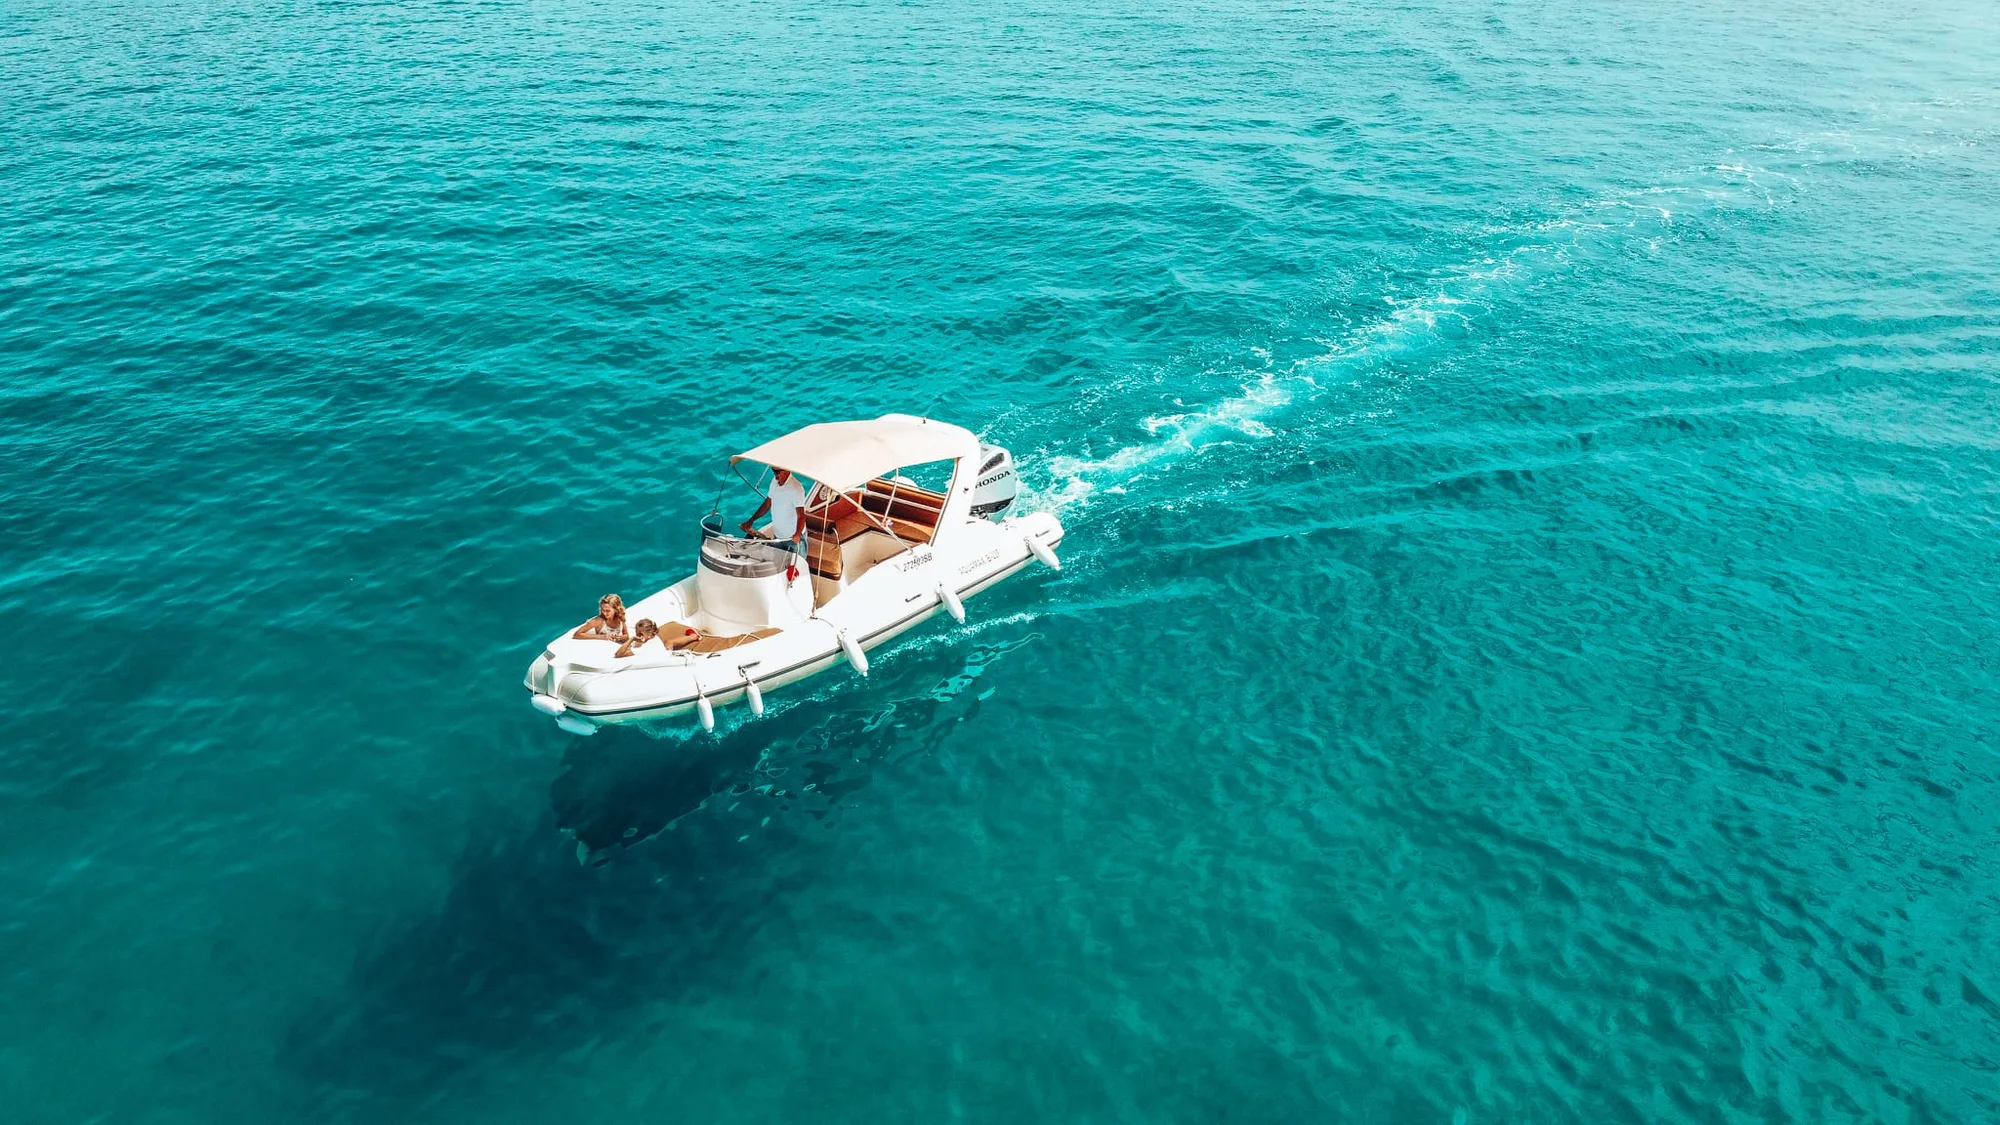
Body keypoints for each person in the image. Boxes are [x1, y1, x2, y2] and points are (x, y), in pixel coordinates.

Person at [740, 467, 807, 547]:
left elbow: (801, 516)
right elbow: (767, 504)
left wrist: (797, 534)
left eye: (777, 472)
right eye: (773, 471)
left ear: (786, 470)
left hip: (792, 539)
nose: (775, 475)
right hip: (778, 536)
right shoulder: (774, 482)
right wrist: (751, 520)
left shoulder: (797, 488)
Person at [615, 617, 701, 659]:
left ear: (649, 635)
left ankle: (694, 636)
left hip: (667, 659)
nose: (638, 635)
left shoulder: (644, 649)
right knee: (668, 642)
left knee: (668, 643)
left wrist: (632, 639)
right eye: (637, 633)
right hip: (665, 652)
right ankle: (694, 636)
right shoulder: (651, 638)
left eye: (640, 634)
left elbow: (618, 654)